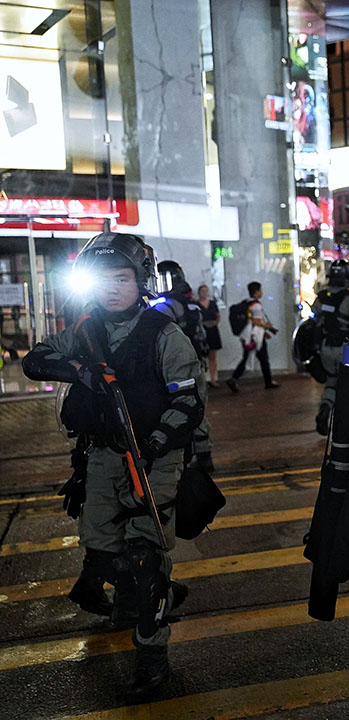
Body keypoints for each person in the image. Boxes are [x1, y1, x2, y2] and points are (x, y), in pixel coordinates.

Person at [22, 232, 203, 702]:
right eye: (103, 279)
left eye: (121, 277)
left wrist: (156, 442)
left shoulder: (164, 333)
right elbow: (35, 360)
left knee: (146, 557)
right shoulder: (86, 329)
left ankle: (151, 655)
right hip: (102, 456)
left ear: (140, 279)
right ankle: (128, 607)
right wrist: (81, 371)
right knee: (103, 549)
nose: (111, 288)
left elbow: (189, 401)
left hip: (153, 458)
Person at [154, 261, 214, 472]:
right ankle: (205, 455)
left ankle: (184, 460)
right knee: (197, 408)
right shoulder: (190, 302)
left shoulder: (164, 305)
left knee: (179, 409)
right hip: (197, 362)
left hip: (176, 368)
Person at [313, 259, 349, 435]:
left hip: (325, 348)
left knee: (331, 383)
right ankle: (345, 425)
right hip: (346, 349)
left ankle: (325, 408)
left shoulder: (321, 297)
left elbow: (315, 319)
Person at [226, 281, 279, 392]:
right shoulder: (257, 305)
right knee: (263, 359)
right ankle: (268, 382)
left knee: (246, 358)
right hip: (255, 337)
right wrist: (267, 326)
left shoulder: (247, 302)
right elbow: (256, 321)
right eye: (260, 290)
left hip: (247, 335)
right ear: (257, 291)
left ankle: (234, 378)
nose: (261, 292)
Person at [196, 285, 222, 387]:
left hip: (212, 330)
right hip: (201, 331)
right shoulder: (196, 304)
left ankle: (213, 379)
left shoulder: (212, 303)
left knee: (213, 356)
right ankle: (202, 380)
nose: (204, 293)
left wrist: (214, 323)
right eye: (202, 291)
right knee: (200, 356)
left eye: (206, 291)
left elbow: (218, 315)